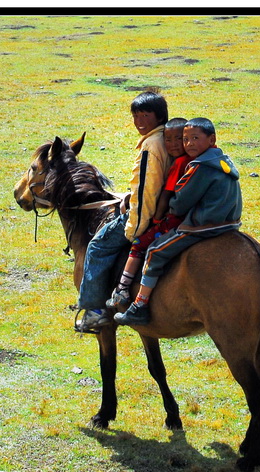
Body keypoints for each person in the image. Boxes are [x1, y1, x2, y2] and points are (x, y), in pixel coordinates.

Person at [114, 117, 242, 326]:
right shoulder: (221, 160)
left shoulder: (199, 167)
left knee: (155, 251)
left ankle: (140, 305)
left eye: (195, 138)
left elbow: (180, 204)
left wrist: (167, 208)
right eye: (186, 139)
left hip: (203, 226)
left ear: (211, 139)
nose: (189, 144)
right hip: (230, 223)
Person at [75, 89, 172, 333]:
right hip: (164, 208)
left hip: (144, 215)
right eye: (135, 116)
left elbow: (147, 191)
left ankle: (96, 312)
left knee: (97, 246)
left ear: (159, 117)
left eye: (145, 115)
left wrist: (134, 228)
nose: (139, 122)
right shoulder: (167, 137)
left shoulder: (150, 145)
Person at [106, 118, 191, 308]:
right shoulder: (195, 158)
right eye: (168, 140)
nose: (172, 144)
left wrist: (158, 218)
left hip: (172, 218)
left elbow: (165, 195)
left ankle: (122, 289)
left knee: (139, 244)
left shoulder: (179, 164)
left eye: (179, 139)